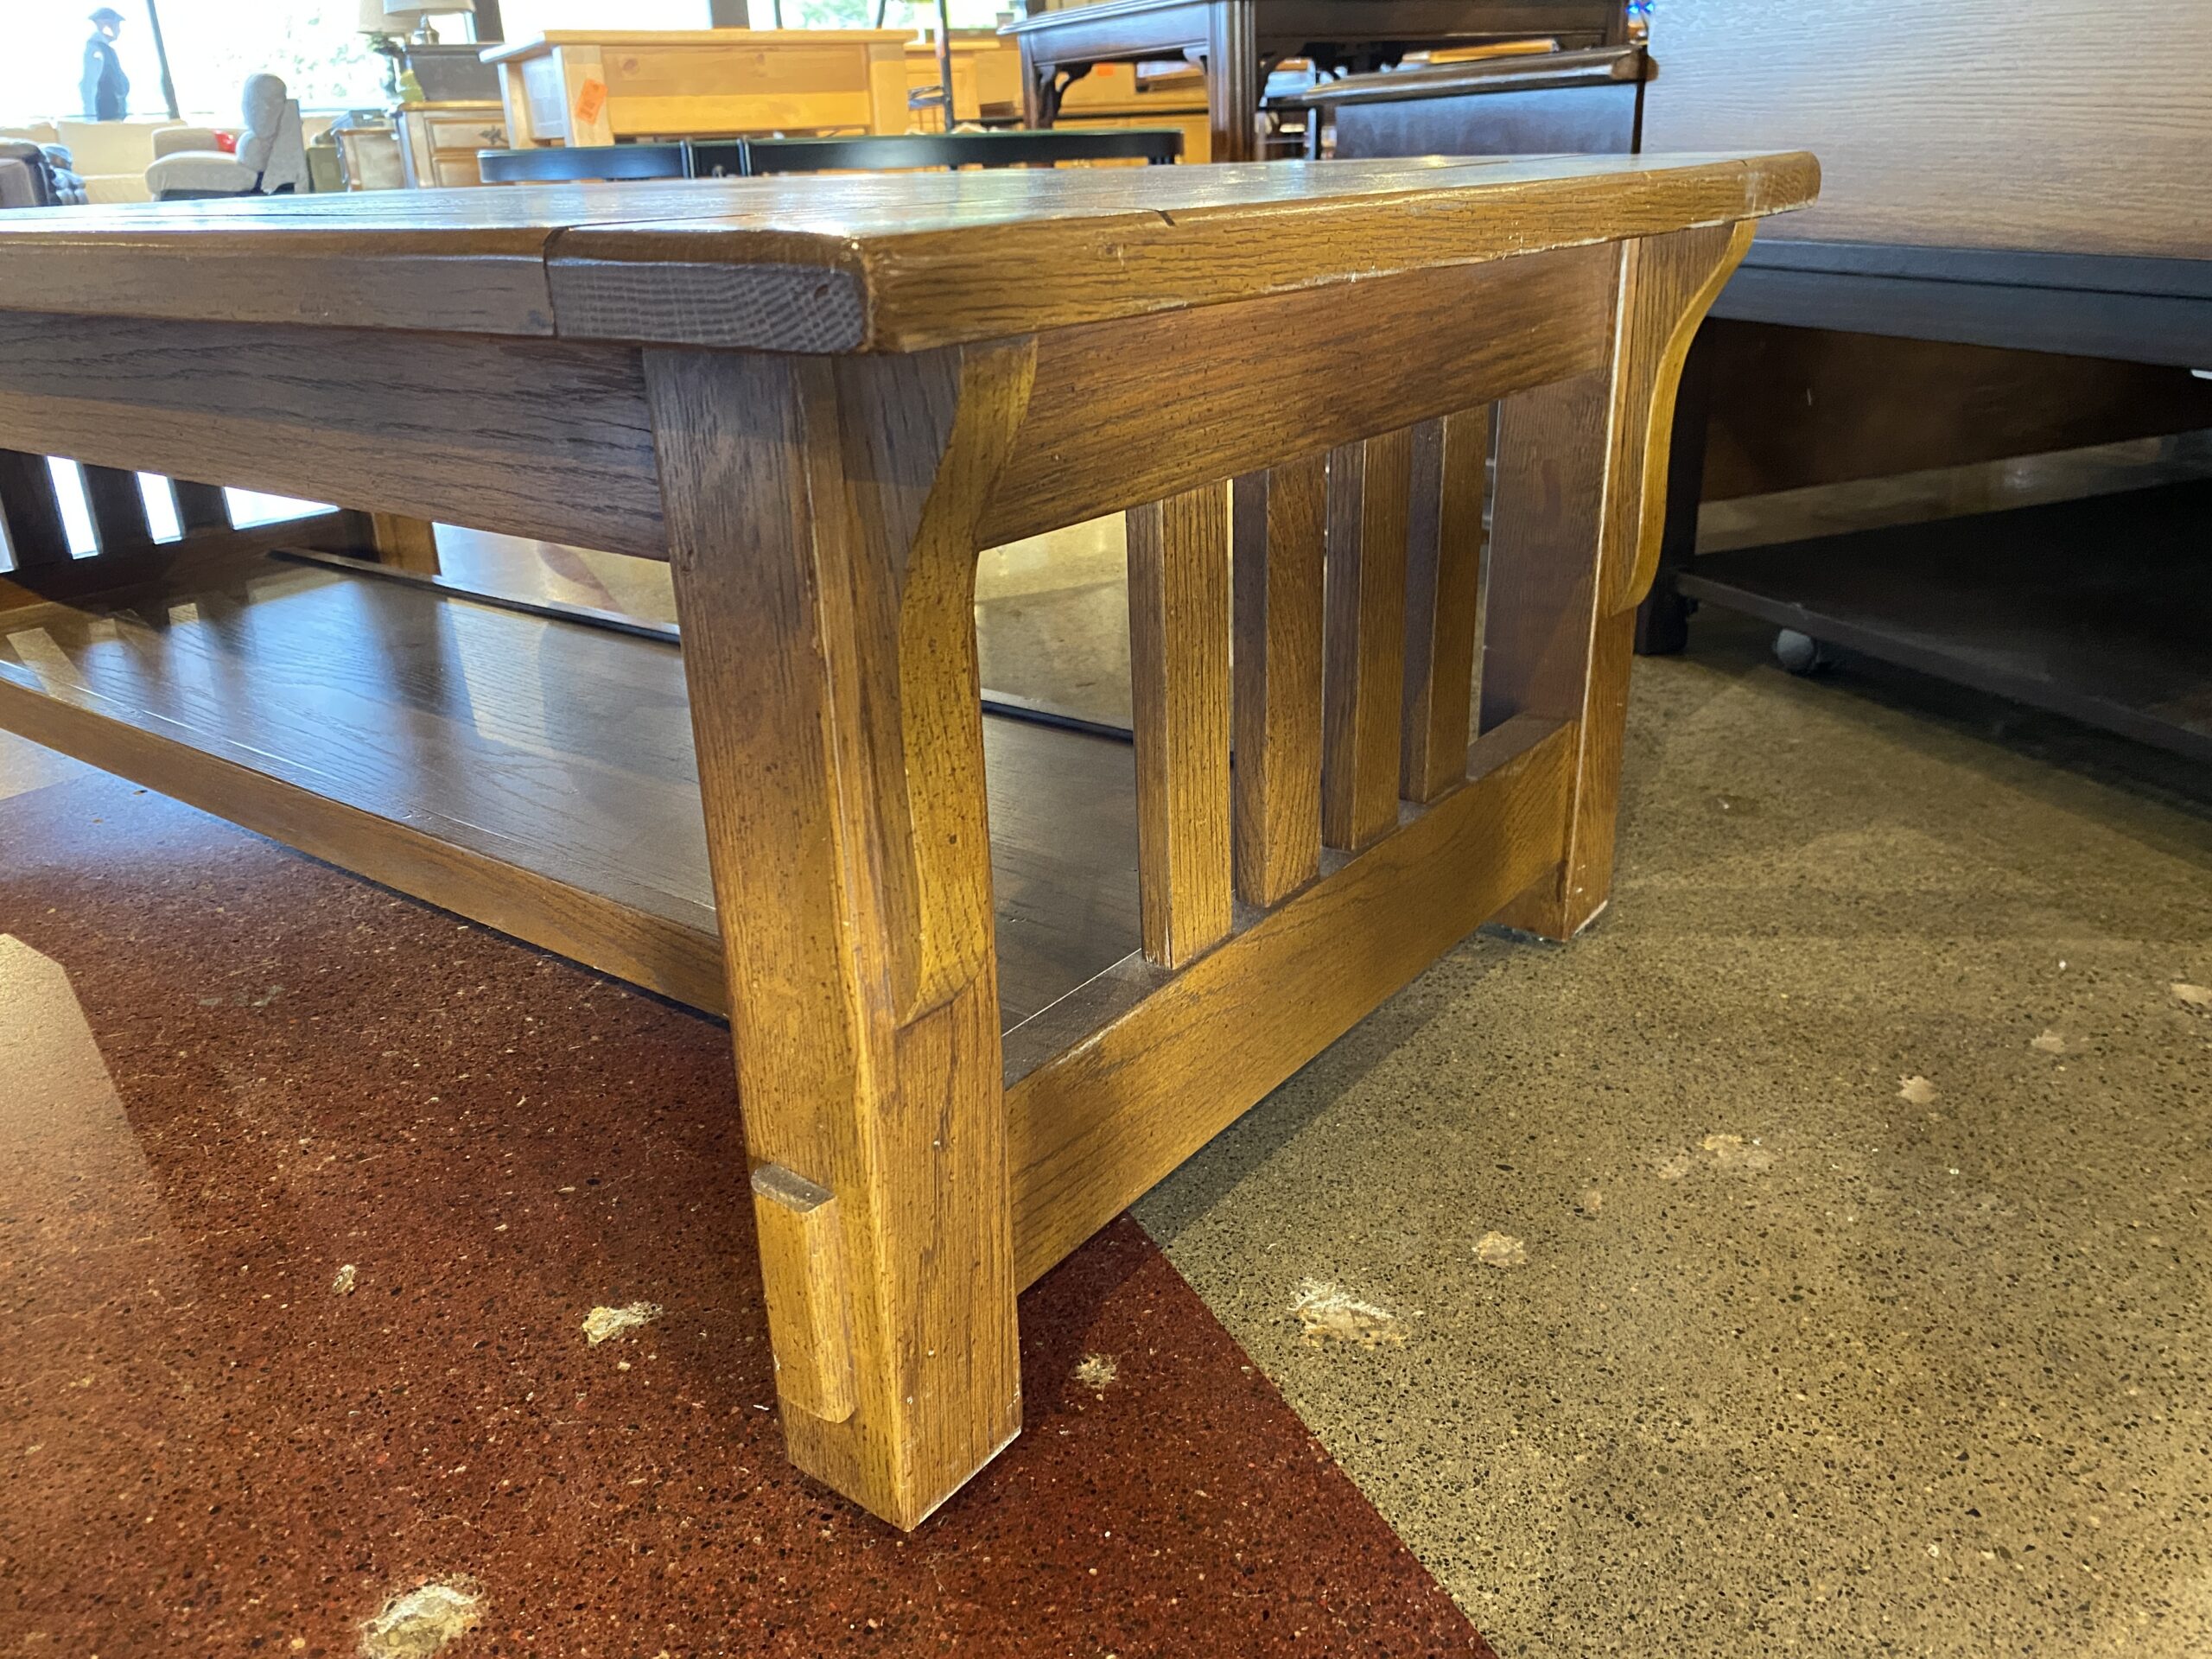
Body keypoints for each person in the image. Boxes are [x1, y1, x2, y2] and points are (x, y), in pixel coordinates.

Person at [80, 8, 130, 122]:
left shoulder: (106, 50)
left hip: (114, 118)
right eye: (116, 25)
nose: (119, 30)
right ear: (106, 25)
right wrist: (91, 120)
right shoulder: (96, 50)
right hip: (106, 120)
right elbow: (90, 86)